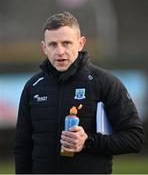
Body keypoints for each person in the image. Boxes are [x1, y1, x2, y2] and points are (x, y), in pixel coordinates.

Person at [14, 11, 144, 174]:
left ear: (80, 43)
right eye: (53, 44)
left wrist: (87, 141)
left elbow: (134, 138)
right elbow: (22, 146)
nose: (60, 51)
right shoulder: (33, 87)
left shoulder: (105, 83)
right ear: (44, 47)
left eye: (66, 43)